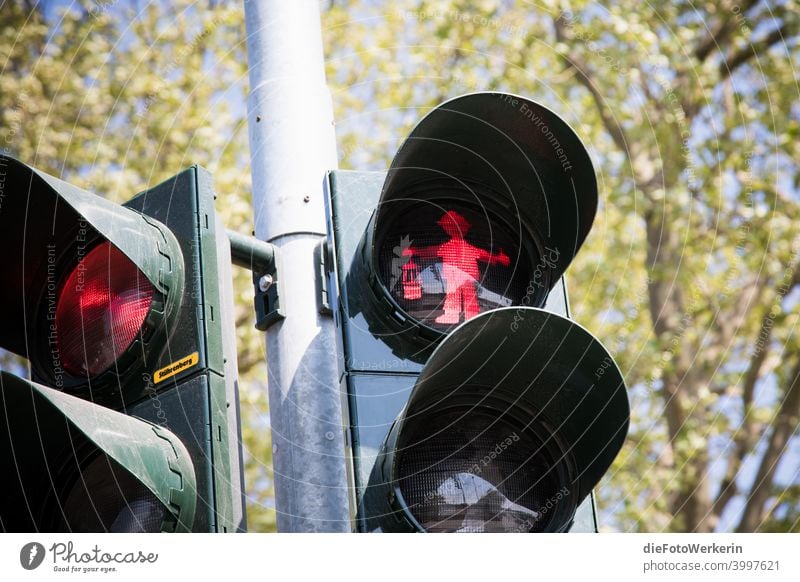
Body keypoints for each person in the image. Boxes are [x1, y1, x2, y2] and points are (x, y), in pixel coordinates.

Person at [403, 210, 510, 324]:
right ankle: (471, 316)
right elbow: (483, 254)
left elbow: (431, 251)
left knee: (454, 294)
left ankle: (453, 315)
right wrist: (498, 258)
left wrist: (414, 250)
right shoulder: (465, 247)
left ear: (445, 228)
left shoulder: (448, 247)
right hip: (468, 275)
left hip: (457, 276)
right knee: (466, 295)